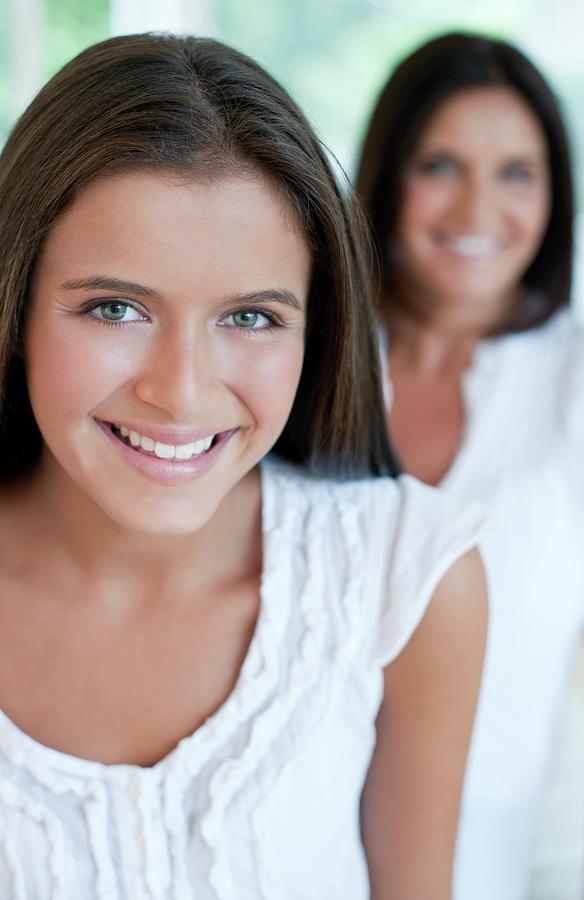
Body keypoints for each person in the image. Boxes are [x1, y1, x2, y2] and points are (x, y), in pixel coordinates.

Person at [0, 33, 487, 899]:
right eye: (115, 308)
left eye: (252, 318)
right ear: (16, 302)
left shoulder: (402, 580)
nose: (181, 393)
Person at [355, 31, 584, 900]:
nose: (477, 208)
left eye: (517, 172)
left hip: (476, 865)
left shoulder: (571, 385)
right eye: (440, 165)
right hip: (279, 840)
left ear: (555, 196)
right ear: (388, 175)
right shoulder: (306, 352)